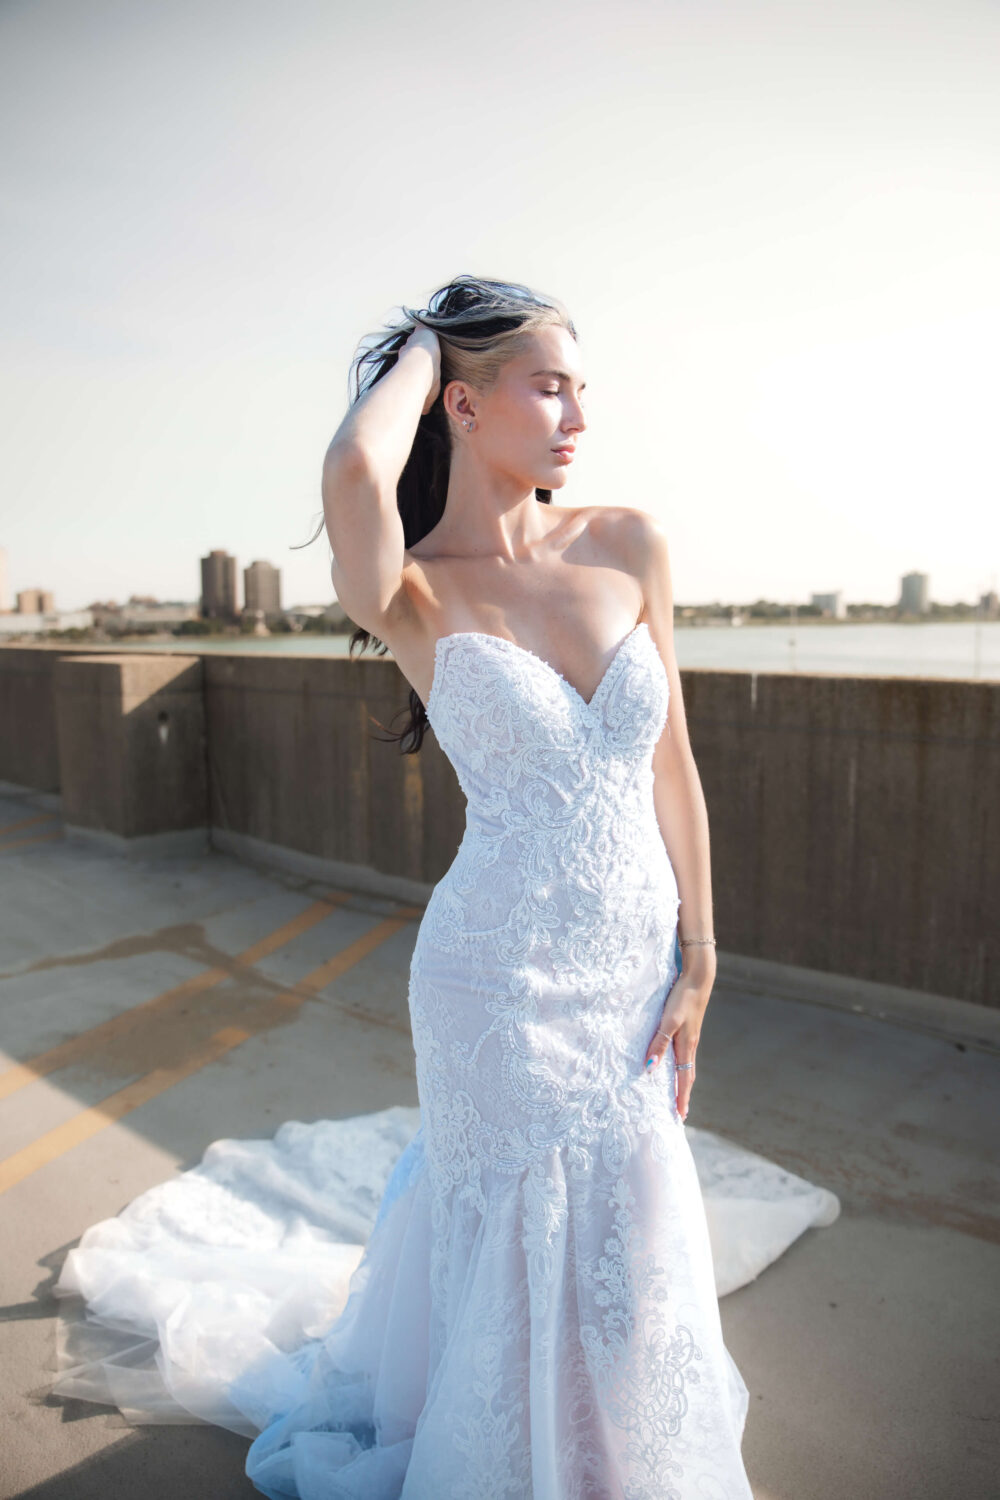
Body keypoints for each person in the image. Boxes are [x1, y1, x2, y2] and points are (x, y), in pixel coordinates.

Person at [51, 275, 840, 1497]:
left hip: (631, 966)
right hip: (495, 976)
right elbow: (356, 476)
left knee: (625, 1229)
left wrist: (702, 954)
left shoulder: (631, 544)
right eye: (548, 383)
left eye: (583, 387)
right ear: (463, 407)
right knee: (519, 1231)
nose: (577, 413)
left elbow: (671, 757)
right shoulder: (414, 585)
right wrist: (421, 351)